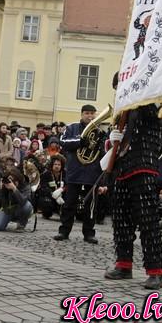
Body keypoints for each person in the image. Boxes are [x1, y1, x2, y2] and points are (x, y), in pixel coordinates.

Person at [103, 73, 162, 290]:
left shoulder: (149, 104)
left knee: (148, 220)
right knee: (120, 220)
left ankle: (155, 271)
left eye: (121, 87)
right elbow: (115, 144)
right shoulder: (121, 112)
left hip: (143, 166)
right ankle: (124, 264)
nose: (119, 92)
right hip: (121, 168)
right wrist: (111, 142)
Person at [54, 104, 104, 244]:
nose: (90, 116)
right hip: (75, 170)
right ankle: (64, 231)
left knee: (91, 206)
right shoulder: (72, 127)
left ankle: (89, 233)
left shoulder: (100, 131)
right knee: (69, 203)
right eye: (87, 113)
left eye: (92, 114)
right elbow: (62, 141)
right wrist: (81, 141)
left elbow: (103, 151)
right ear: (82, 114)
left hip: (92, 172)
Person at [0, 167, 34, 231]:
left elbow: (22, 201)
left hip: (20, 209)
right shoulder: (4, 187)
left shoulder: (25, 186)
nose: (11, 183)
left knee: (27, 206)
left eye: (14, 181)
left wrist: (14, 189)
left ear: (18, 179)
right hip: (7, 210)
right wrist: (0, 190)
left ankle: (21, 223)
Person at [38, 155, 66, 219]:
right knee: (46, 203)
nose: (57, 166)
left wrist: (61, 191)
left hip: (62, 196)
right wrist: (52, 194)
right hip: (50, 196)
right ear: (52, 165)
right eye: (55, 164)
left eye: (59, 165)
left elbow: (68, 185)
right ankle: (47, 213)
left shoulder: (65, 174)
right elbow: (43, 187)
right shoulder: (46, 174)